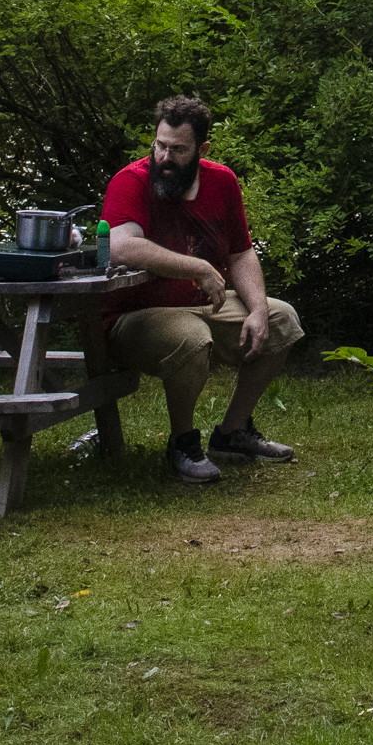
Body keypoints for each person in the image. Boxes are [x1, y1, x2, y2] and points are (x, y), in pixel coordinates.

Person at [102, 94, 305, 483]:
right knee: (192, 338)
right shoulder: (131, 181)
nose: (164, 157)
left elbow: (242, 253)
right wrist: (197, 267)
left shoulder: (222, 181)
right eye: (159, 145)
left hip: (204, 307)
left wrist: (258, 310)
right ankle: (182, 442)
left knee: (282, 319)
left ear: (202, 149)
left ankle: (232, 433)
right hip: (133, 319)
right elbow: (120, 244)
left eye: (177, 149)